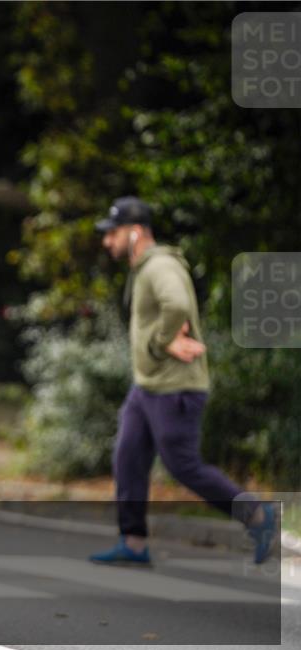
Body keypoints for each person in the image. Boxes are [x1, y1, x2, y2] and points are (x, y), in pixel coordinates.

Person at [89, 196, 277, 566]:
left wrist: (161, 342)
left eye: (113, 232)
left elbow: (176, 304)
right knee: (128, 456)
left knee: (183, 466)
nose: (106, 240)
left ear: (135, 231)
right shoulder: (143, 267)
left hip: (175, 388)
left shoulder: (160, 266)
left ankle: (256, 514)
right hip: (148, 387)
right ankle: (134, 542)